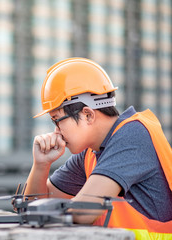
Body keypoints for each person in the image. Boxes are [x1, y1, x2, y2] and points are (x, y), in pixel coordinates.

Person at [25, 57, 172, 238]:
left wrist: (48, 212)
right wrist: (41, 165)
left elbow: (84, 211)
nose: (56, 131)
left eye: (57, 120)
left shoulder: (133, 135)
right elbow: (33, 207)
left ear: (87, 115)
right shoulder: (90, 154)